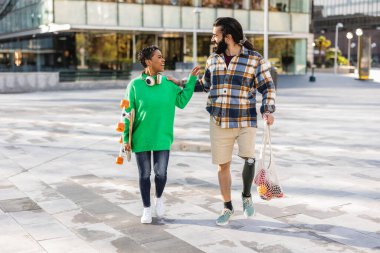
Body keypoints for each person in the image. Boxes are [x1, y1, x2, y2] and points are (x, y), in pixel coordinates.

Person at [200, 17, 276, 225]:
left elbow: (267, 87)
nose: (213, 38)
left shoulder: (254, 59)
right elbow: (206, 85)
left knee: (249, 158)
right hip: (219, 120)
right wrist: (181, 83)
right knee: (222, 166)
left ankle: (246, 195)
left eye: (215, 35)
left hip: (245, 118)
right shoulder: (212, 59)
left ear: (228, 37)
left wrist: (268, 109)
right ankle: (227, 207)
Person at [123, 45, 200, 224]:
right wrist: (126, 138)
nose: (163, 59)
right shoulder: (134, 85)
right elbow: (127, 113)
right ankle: (146, 209)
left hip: (162, 137)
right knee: (144, 175)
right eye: (159, 57)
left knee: (161, 173)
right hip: (141, 138)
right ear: (149, 61)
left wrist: (191, 81)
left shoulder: (168, 85)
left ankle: (159, 198)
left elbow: (181, 102)